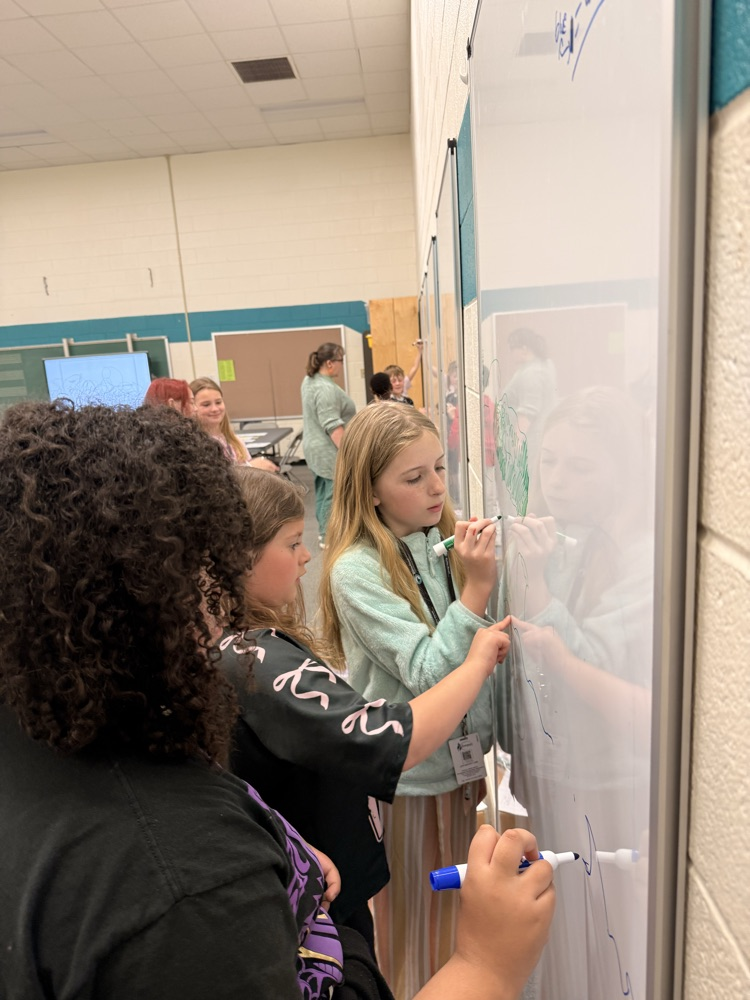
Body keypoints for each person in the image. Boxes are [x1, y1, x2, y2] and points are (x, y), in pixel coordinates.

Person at [0, 400, 556, 1000]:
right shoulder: (190, 888)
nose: (304, 557)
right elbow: (395, 724)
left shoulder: (64, 739)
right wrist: (485, 967)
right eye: (210, 564)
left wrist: (278, 841)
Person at [216, 467, 512, 953]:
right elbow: (389, 735)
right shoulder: (255, 660)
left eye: (441, 468)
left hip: (312, 868)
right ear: (239, 557)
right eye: (292, 544)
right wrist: (476, 663)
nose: (306, 554)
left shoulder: (238, 647)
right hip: (315, 895)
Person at [319, 403, 502, 999]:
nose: (436, 487)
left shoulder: (439, 542)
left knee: (462, 920)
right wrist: (475, 591)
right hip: (408, 782)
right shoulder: (356, 571)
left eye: (440, 468)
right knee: (412, 931)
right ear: (370, 491)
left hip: (465, 772)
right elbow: (428, 673)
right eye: (413, 477)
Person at [300, 342, 356, 545]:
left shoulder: (309, 380)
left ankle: (325, 533)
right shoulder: (325, 389)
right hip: (328, 450)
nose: (342, 365)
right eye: (341, 360)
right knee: (333, 494)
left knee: (324, 492)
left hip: (313, 447)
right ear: (330, 363)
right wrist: (351, 454)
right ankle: (329, 536)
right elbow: (332, 425)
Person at [190, 375, 278, 472]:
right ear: (192, 407)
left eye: (218, 402)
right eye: (206, 405)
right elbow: (214, 478)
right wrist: (250, 466)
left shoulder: (234, 441)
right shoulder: (194, 445)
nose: (215, 409)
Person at [384, 339, 423, 405]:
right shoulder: (388, 401)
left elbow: (415, 367)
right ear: (388, 384)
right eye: (393, 381)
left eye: (400, 380)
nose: (397, 383)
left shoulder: (404, 387)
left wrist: (420, 351)